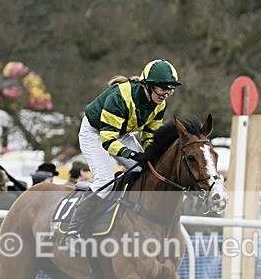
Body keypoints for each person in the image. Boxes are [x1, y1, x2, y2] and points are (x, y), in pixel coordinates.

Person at [65, 59, 181, 236]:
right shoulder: (120, 97)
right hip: (95, 133)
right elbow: (108, 141)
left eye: (170, 89)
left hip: (121, 133)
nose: (165, 93)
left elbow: (150, 135)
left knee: (145, 170)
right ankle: (73, 229)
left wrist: (149, 153)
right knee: (105, 180)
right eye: (162, 87)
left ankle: (127, 214)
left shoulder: (160, 105)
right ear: (147, 85)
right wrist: (133, 155)